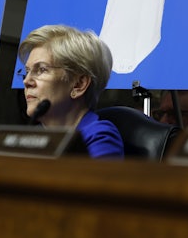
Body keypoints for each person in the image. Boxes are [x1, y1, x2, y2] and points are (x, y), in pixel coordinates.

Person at [17, 24, 123, 159]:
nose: (26, 81)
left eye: (42, 70)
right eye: (27, 72)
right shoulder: (33, 138)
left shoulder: (99, 137)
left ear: (79, 84)